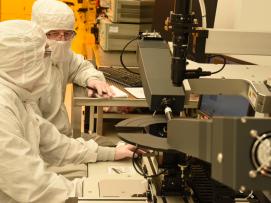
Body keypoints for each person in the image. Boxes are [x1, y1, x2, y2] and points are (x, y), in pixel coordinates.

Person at [0, 19, 139, 203]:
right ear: (20, 63)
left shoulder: (18, 96)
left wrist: (111, 153)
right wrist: (87, 192)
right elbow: (31, 184)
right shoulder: (4, 108)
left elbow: (53, 142)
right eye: (43, 55)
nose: (47, 63)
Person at [31, 0, 113, 138]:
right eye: (54, 33)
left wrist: (93, 80)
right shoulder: (26, 66)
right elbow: (34, 131)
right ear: (38, 32)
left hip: (62, 137)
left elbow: (81, 66)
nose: (61, 40)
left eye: (67, 33)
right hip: (38, 144)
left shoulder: (63, 56)